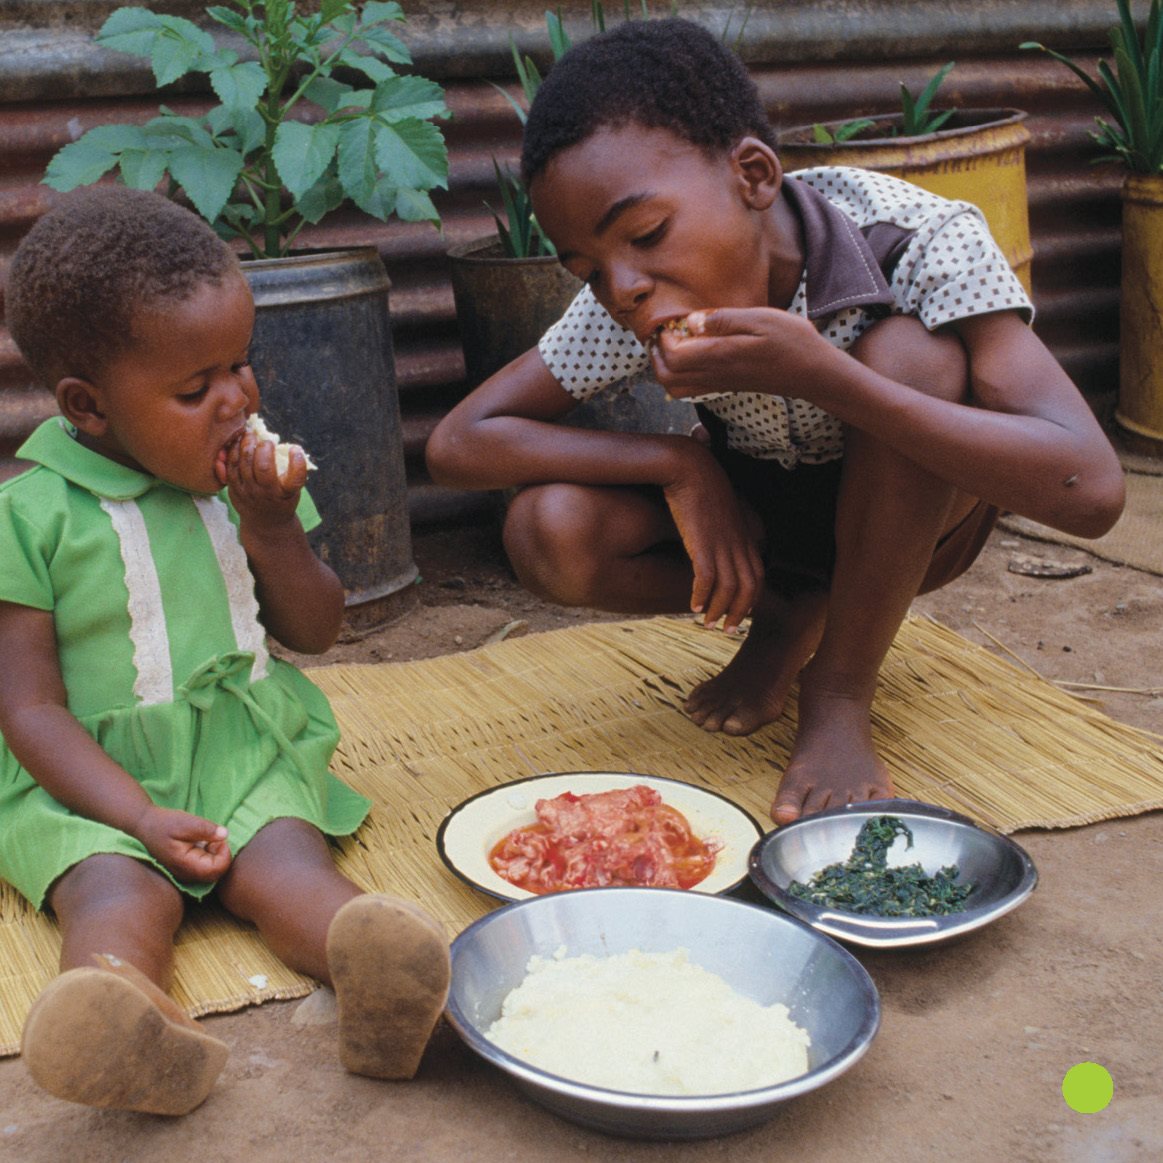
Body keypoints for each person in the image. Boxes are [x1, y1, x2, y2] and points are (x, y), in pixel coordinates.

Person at [426, 18, 1126, 826]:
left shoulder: (916, 242)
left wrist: (824, 376)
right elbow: (457, 444)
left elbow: (1092, 489)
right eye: (587, 268)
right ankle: (786, 614)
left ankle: (837, 690)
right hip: (769, 518)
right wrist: (677, 467)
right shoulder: (626, 300)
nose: (622, 287)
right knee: (547, 528)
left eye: (647, 234)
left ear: (753, 175)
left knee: (908, 357)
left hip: (916, 529)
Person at [0, 187, 450, 1116]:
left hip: (243, 747)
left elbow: (317, 630)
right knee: (114, 894)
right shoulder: (28, 517)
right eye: (193, 388)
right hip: (91, 775)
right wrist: (135, 812)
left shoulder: (245, 487)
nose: (236, 399)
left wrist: (275, 527)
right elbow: (29, 709)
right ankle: (125, 1025)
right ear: (89, 406)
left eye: (240, 365)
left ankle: (383, 986)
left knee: (288, 866)